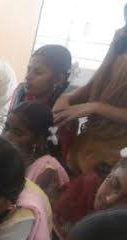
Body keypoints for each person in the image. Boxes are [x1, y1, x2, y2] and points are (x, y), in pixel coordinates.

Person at [53, 6, 127, 176]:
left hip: (117, 153)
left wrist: (96, 107)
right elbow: (94, 84)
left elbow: (95, 104)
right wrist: (67, 98)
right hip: (88, 142)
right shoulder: (121, 36)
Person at [4, 102, 70, 208]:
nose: (7, 136)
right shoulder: (15, 159)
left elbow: (32, 213)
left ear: (39, 140)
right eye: (6, 128)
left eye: (18, 133)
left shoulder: (47, 171)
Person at [9, 45, 72, 111]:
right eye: (28, 70)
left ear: (58, 79)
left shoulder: (60, 111)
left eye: (38, 72)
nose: (27, 77)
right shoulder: (21, 92)